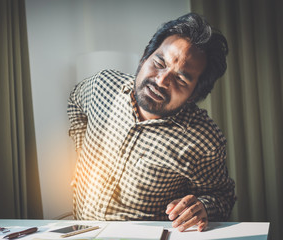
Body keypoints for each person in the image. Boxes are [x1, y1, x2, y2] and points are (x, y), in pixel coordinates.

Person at [67, 13, 236, 232]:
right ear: (144, 57)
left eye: (181, 79)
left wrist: (203, 207)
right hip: (79, 231)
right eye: (159, 63)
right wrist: (81, 153)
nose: (161, 80)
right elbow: (75, 99)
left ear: (194, 95)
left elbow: (222, 197)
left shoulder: (204, 139)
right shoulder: (102, 85)